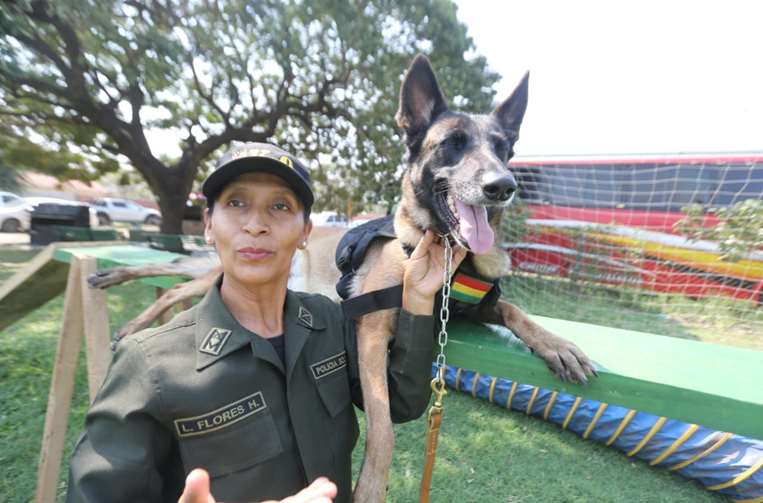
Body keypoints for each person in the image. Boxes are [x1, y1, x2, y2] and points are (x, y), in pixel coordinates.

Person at [65, 142, 466, 503]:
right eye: (237, 203)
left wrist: (416, 301)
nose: (255, 224)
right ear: (208, 225)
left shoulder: (329, 322)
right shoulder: (148, 365)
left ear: (305, 232)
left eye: (280, 206)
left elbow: (400, 402)